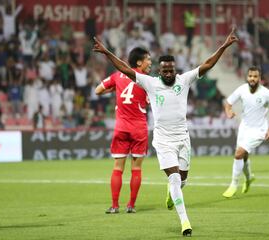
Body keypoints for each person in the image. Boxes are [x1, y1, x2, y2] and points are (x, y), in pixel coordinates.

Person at [93, 29, 239, 237]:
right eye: (165, 71)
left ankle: (172, 195)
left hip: (183, 138)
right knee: (174, 180)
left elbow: (207, 64)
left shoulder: (184, 80)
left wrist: (223, 46)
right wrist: (107, 52)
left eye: (171, 70)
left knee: (183, 179)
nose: (168, 74)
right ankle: (185, 221)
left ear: (174, 69)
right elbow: (124, 69)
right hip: (163, 140)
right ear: (159, 72)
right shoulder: (150, 83)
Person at [94, 47, 152, 214]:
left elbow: (98, 90)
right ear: (139, 62)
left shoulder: (117, 76)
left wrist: (114, 89)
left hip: (121, 127)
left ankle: (114, 205)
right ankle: (131, 205)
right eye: (148, 59)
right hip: (139, 128)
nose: (150, 63)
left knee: (118, 167)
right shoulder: (147, 80)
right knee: (136, 169)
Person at [222, 66, 269, 198]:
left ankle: (233, 184)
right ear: (247, 77)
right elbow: (228, 102)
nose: (252, 79)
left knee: (238, 154)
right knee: (243, 156)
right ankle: (249, 178)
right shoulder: (242, 89)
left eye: (255, 76)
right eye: (250, 76)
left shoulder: (266, 93)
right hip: (244, 127)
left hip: (259, 130)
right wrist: (228, 111)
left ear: (259, 78)